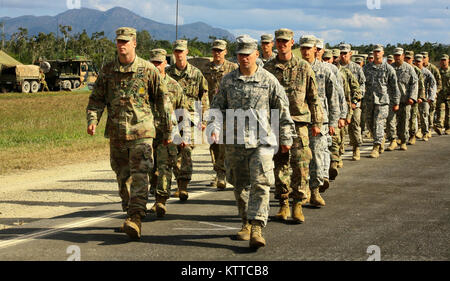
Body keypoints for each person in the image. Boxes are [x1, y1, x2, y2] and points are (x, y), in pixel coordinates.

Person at [86, 27, 173, 239]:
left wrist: (168, 129)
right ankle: (129, 211)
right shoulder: (107, 71)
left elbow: (162, 101)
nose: (122, 45)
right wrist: (92, 120)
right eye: (119, 41)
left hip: (142, 132)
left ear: (134, 43)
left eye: (126, 41)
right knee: (122, 175)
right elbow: (96, 99)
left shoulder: (148, 70)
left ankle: (135, 217)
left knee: (140, 175)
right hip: (116, 134)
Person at [209, 35, 295, 249]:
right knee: (240, 185)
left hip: (262, 141)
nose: (244, 58)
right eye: (240, 55)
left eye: (248, 54)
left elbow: (282, 110)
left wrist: (285, 137)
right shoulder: (228, 80)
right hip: (235, 142)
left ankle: (257, 226)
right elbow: (217, 108)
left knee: (261, 183)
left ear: (256, 54)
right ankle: (246, 222)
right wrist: (214, 129)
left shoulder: (268, 80)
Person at [264, 28, 323, 222]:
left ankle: (298, 204)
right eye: (279, 41)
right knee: (279, 163)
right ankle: (283, 203)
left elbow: (313, 97)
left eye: (285, 41)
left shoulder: (304, 67)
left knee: (301, 162)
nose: (282, 45)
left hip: (299, 122)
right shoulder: (268, 68)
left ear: (292, 43)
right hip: (276, 122)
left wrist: (317, 122)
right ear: (275, 43)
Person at [167, 39, 209, 201]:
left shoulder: (196, 73)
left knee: (186, 150)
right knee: (173, 152)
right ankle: (178, 181)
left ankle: (183, 185)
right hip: (173, 117)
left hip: (191, 117)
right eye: (176, 51)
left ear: (187, 52)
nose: (179, 55)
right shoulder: (168, 73)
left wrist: (205, 119)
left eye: (181, 51)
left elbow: (203, 96)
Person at [300, 35, 340, 206]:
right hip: (300, 119)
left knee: (316, 155)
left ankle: (315, 190)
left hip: (319, 120)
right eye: (303, 48)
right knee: (301, 158)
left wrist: (333, 121)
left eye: (309, 48)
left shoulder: (326, 70)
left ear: (316, 50)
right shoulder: (297, 69)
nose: (306, 51)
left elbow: (334, 97)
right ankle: (303, 191)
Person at [148, 48, 186, 217]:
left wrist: (183, 135)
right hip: (147, 133)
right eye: (153, 63)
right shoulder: (144, 84)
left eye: (159, 63)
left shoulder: (174, 86)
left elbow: (181, 111)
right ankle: (154, 193)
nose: (156, 66)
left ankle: (160, 201)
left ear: (165, 64)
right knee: (150, 168)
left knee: (164, 167)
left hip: (167, 134)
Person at [201, 39, 238, 189]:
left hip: (228, 111)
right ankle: (219, 173)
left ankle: (224, 173)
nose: (217, 53)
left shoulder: (232, 68)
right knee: (214, 144)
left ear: (225, 52)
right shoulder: (206, 69)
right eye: (215, 50)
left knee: (226, 143)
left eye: (220, 50)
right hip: (211, 110)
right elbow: (201, 90)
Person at [363, 44, 400, 158]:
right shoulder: (367, 68)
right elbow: (362, 83)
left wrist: (396, 102)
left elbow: (394, 86)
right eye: (375, 52)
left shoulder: (388, 68)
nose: (377, 53)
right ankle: (380, 139)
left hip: (383, 101)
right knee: (370, 124)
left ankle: (376, 146)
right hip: (369, 100)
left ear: (383, 53)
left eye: (379, 51)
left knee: (379, 122)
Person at [386, 48, 418, 151]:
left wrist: (412, 97)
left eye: (399, 55)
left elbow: (414, 83)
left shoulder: (409, 68)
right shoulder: (389, 68)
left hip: (405, 100)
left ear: (403, 56)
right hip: (392, 100)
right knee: (390, 121)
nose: (397, 57)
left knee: (404, 122)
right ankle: (393, 141)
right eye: (395, 55)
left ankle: (403, 141)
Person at [339, 43, 366, 161]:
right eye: (341, 53)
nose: (343, 55)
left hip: (354, 103)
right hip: (341, 103)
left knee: (355, 125)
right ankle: (339, 153)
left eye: (345, 53)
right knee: (340, 129)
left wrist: (356, 100)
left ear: (350, 54)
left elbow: (362, 85)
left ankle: (356, 148)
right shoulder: (336, 67)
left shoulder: (356, 68)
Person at [404, 50, 426, 144]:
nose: (407, 60)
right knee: (403, 118)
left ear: (412, 59)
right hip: (403, 97)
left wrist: (421, 97)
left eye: (409, 58)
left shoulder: (416, 70)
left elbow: (421, 85)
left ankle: (412, 135)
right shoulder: (402, 68)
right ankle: (403, 136)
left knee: (412, 118)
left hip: (414, 98)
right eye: (406, 58)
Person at [413, 54, 437, 141]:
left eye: (419, 61)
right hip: (414, 96)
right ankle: (416, 132)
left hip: (424, 97)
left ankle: (425, 132)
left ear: (423, 62)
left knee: (424, 115)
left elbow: (433, 84)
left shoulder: (426, 72)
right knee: (415, 116)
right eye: (416, 61)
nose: (418, 63)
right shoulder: (413, 70)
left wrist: (431, 96)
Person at [421, 52, 442, 130]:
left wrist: (435, 93)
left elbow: (438, 82)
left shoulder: (433, 68)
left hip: (431, 94)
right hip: (423, 94)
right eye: (422, 57)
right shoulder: (418, 67)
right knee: (423, 112)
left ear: (428, 58)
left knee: (431, 111)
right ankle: (425, 128)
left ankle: (430, 126)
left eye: (424, 57)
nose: (423, 59)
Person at [435, 54, 449, 135]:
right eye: (442, 60)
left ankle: (448, 128)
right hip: (440, 95)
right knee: (440, 110)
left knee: (448, 113)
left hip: (449, 95)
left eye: (445, 60)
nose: (443, 62)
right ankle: (439, 127)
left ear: (448, 61)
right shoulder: (438, 71)